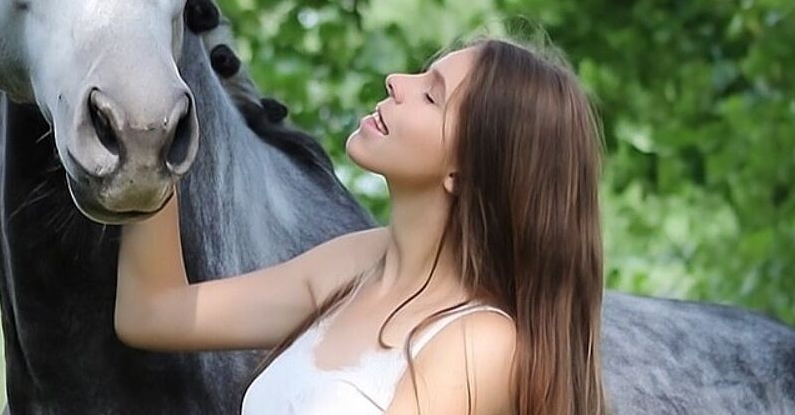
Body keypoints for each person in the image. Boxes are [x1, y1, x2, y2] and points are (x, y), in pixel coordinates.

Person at [115, 31, 609, 414]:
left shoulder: (480, 344)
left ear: (465, 171)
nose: (397, 81)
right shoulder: (357, 263)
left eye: (432, 96)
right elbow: (153, 312)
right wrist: (153, 110)